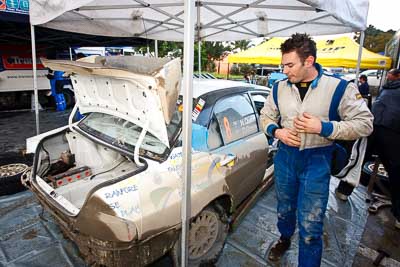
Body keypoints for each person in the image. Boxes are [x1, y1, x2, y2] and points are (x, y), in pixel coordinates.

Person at [260, 33, 373, 267]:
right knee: (284, 207)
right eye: (283, 65)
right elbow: (266, 115)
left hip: (317, 159)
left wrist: (324, 127)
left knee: (311, 222)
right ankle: (284, 237)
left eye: (290, 65)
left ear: (308, 61)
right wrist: (277, 131)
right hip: (285, 157)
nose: (285, 70)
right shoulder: (279, 87)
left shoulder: (340, 88)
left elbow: (365, 123)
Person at [370, 68, 400, 229]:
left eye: (390, 74)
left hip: (377, 132)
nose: (388, 76)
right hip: (390, 134)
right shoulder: (390, 89)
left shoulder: (387, 89)